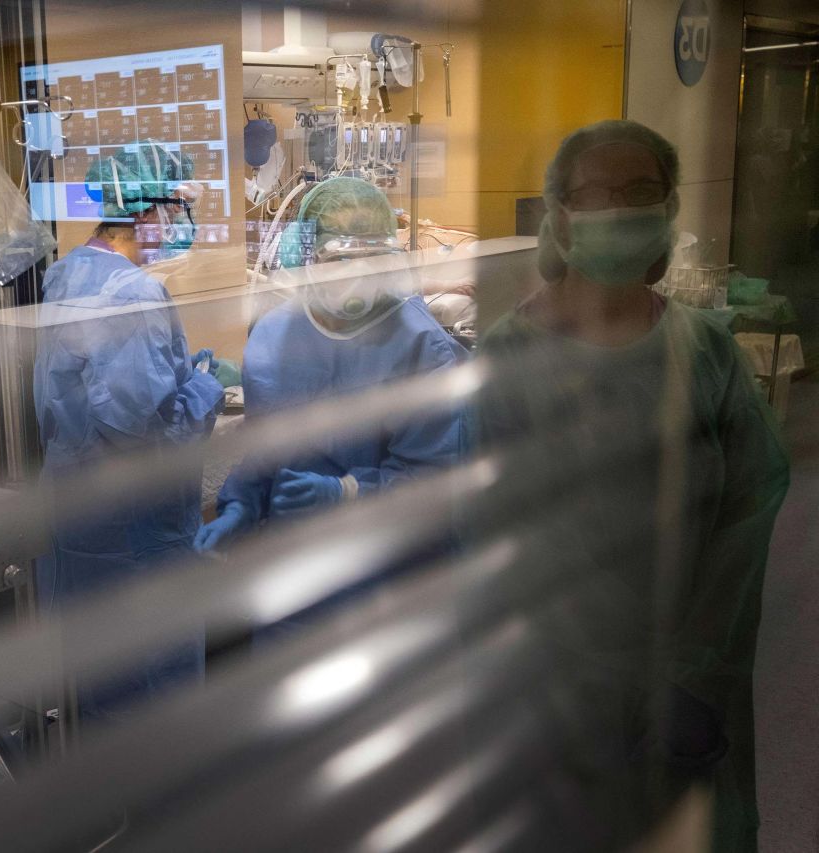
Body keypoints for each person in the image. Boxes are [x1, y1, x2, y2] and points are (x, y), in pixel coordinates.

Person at [472, 120, 789, 852]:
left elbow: (752, 503)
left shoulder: (707, 354)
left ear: (669, 209)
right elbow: (483, 538)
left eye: (640, 192)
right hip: (550, 689)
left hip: (689, 683)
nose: (617, 209)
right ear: (560, 215)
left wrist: (695, 665)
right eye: (595, 193)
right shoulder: (506, 363)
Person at [32, 143, 232, 720]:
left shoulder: (68, 270)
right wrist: (203, 388)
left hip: (77, 518)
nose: (178, 222)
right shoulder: (137, 293)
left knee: (97, 689)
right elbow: (142, 433)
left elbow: (93, 385)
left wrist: (175, 368)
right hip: (136, 529)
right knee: (153, 700)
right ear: (144, 212)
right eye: (174, 208)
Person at [195, 177, 468, 554]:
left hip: (388, 558)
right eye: (340, 259)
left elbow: (436, 479)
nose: (357, 275)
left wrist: (346, 492)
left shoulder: (420, 346)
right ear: (307, 257)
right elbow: (267, 451)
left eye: (373, 257)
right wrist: (242, 502)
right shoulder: (273, 337)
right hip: (297, 554)